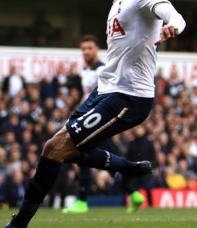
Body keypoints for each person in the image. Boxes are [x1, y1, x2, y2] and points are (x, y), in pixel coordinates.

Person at [0, 0, 186, 228]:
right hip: (104, 89)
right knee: (60, 148)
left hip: (128, 96)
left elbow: (173, 14)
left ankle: (19, 225)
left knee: (55, 149)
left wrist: (172, 26)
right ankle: (126, 168)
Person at [62, 35, 147, 214]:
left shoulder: (102, 70)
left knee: (85, 152)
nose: (86, 52)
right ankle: (133, 193)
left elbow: (107, 95)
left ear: (97, 50)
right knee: (108, 160)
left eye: (90, 48)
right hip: (90, 118)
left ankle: (82, 201)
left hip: (97, 119)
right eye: (83, 48)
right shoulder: (86, 71)